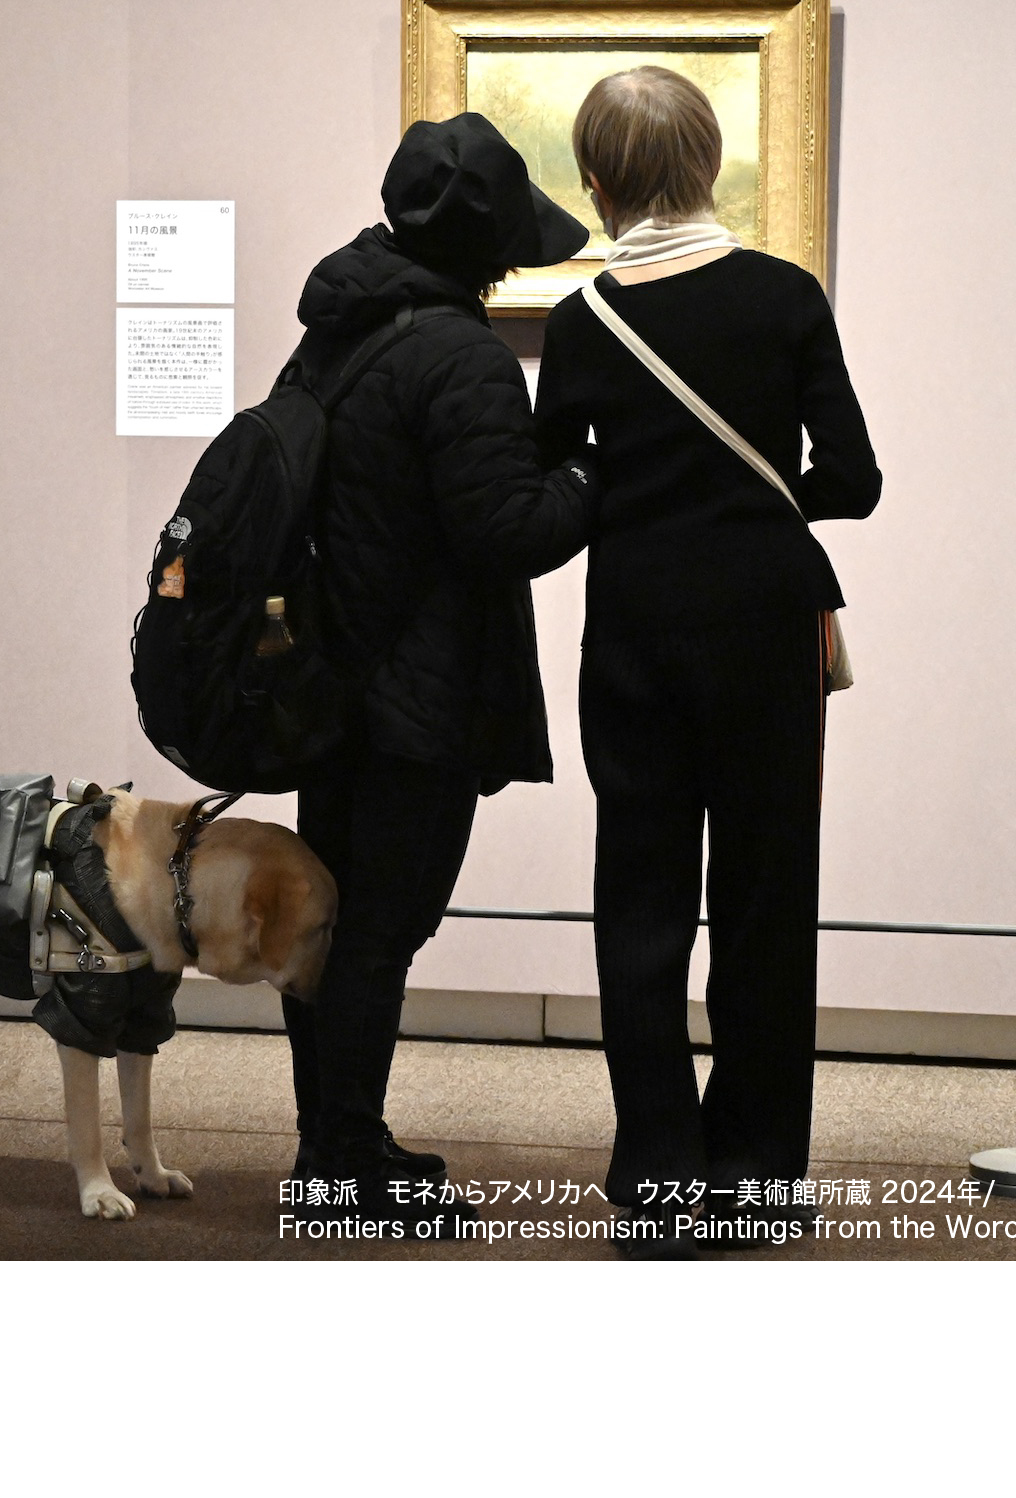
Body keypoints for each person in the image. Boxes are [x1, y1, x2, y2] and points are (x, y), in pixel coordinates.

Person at [533, 66, 881, 1255]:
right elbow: (856, 480)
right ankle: (757, 1172)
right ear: (710, 161)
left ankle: (661, 1175)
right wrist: (770, 499)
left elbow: (554, 485)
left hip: (634, 631)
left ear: (595, 182)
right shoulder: (786, 296)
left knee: (640, 906)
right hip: (765, 627)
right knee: (768, 903)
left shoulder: (583, 322)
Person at [284, 111, 598, 1223]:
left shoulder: (337, 327)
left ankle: (333, 1144)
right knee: (380, 930)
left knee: (330, 924)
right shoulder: (461, 352)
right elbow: (503, 532)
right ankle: (344, 1174)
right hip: (416, 697)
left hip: (329, 682)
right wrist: (591, 478)